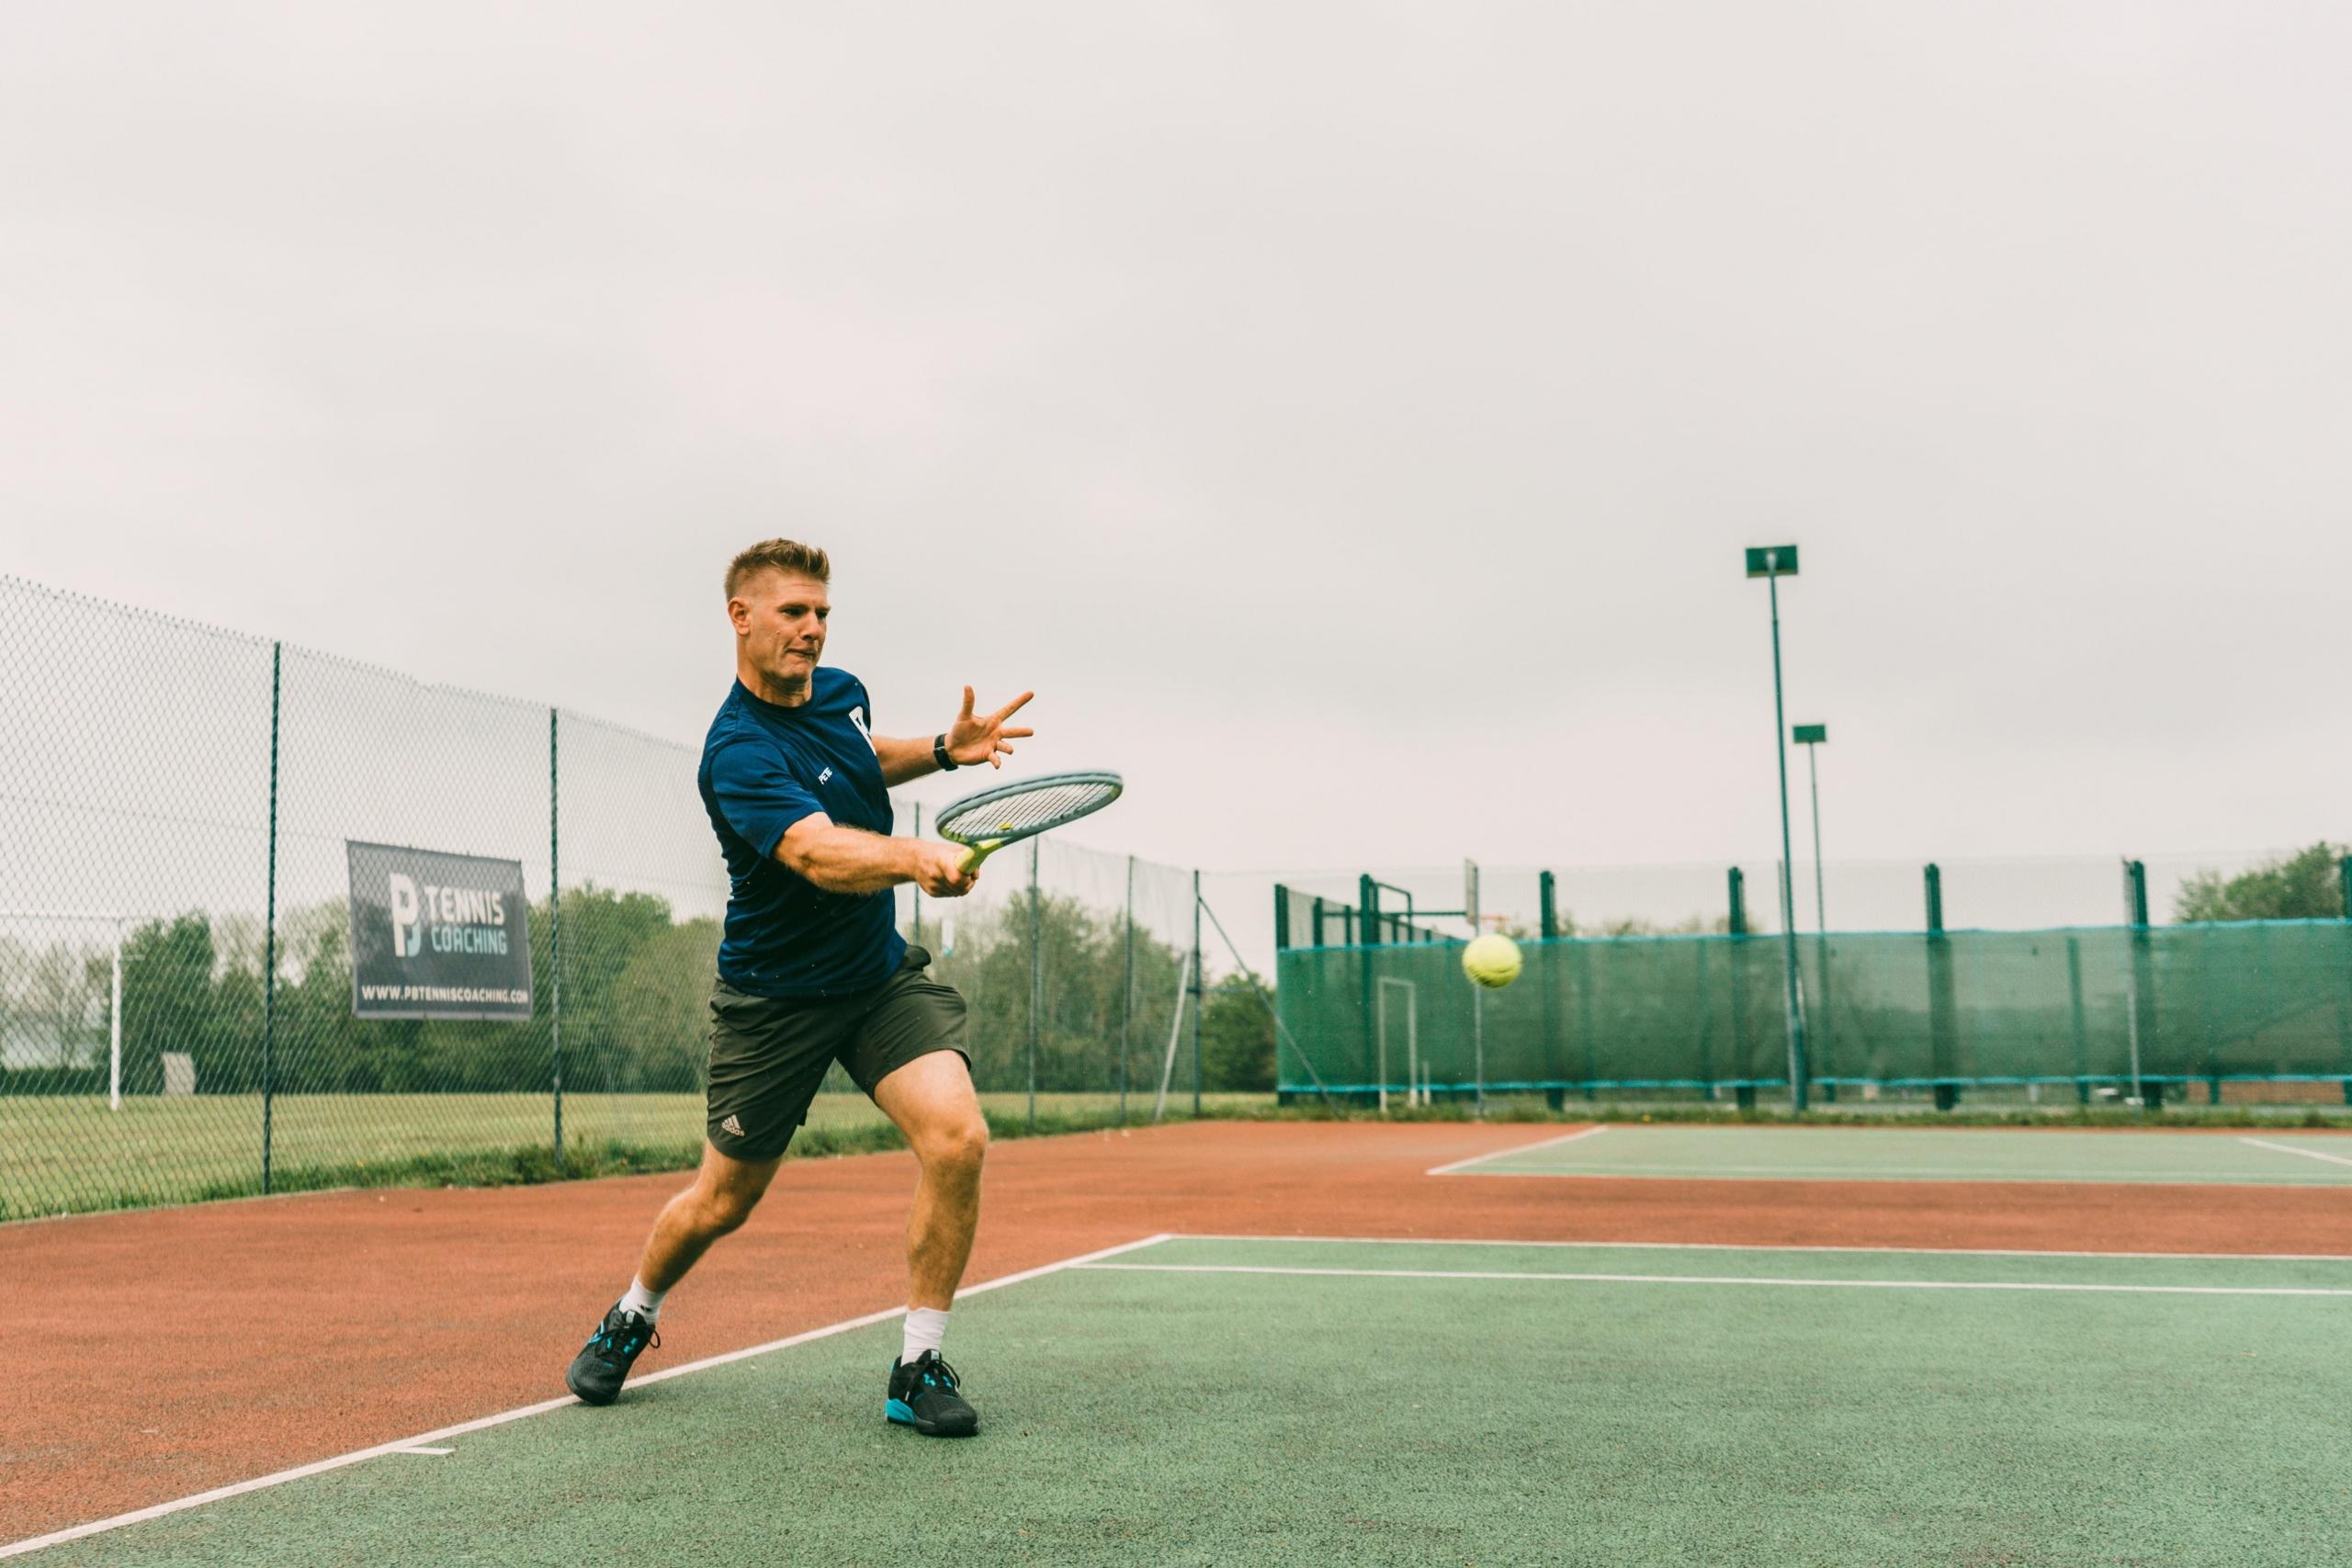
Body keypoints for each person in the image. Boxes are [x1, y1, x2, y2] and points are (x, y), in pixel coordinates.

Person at [563, 536, 1035, 1437]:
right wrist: (916, 857)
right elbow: (814, 852)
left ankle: (917, 1366)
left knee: (958, 1138)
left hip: (877, 980)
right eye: (793, 612)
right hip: (773, 1002)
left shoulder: (842, 691)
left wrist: (943, 749)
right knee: (722, 1201)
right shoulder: (736, 751)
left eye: (821, 613)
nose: (812, 629)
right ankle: (633, 1310)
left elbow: (854, 756)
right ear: (740, 617)